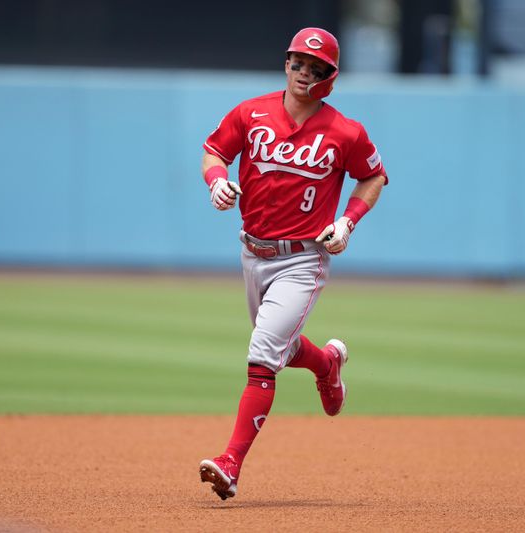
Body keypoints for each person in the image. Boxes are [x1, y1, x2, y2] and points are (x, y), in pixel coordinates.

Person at [198, 27, 388, 501]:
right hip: (253, 251)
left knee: (263, 355)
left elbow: (374, 177)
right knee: (278, 346)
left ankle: (230, 464)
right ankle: (326, 364)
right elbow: (214, 151)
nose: (305, 72)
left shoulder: (345, 131)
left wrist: (347, 222)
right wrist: (216, 181)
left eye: (316, 67)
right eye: (299, 63)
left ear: (331, 76)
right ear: (287, 63)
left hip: (303, 258)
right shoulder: (251, 112)